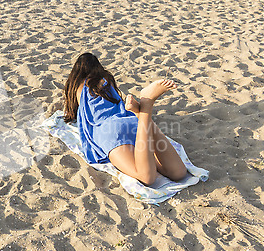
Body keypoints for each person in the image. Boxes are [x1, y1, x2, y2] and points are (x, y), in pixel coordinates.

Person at [63, 52, 188, 186]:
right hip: (131, 122)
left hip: (108, 130)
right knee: (178, 172)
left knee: (146, 176)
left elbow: (76, 114)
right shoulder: (106, 80)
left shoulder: (76, 87)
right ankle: (141, 114)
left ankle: (146, 106)